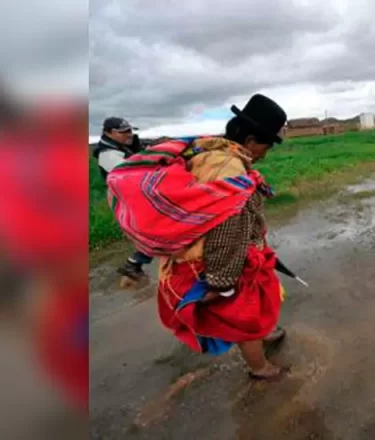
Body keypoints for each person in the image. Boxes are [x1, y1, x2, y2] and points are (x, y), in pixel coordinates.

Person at [108, 94, 289, 380]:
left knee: (254, 309)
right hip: (223, 261)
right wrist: (223, 282)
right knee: (245, 316)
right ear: (252, 139)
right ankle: (261, 368)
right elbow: (226, 228)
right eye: (266, 145)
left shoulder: (210, 154)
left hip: (218, 254)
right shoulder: (227, 167)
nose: (266, 152)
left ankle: (261, 338)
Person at [91, 117, 154, 281]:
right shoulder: (108, 155)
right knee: (156, 229)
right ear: (108, 133)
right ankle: (133, 264)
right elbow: (130, 173)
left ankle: (134, 264)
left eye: (130, 130)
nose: (129, 134)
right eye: (123, 132)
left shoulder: (122, 147)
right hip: (127, 198)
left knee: (155, 229)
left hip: (135, 194)